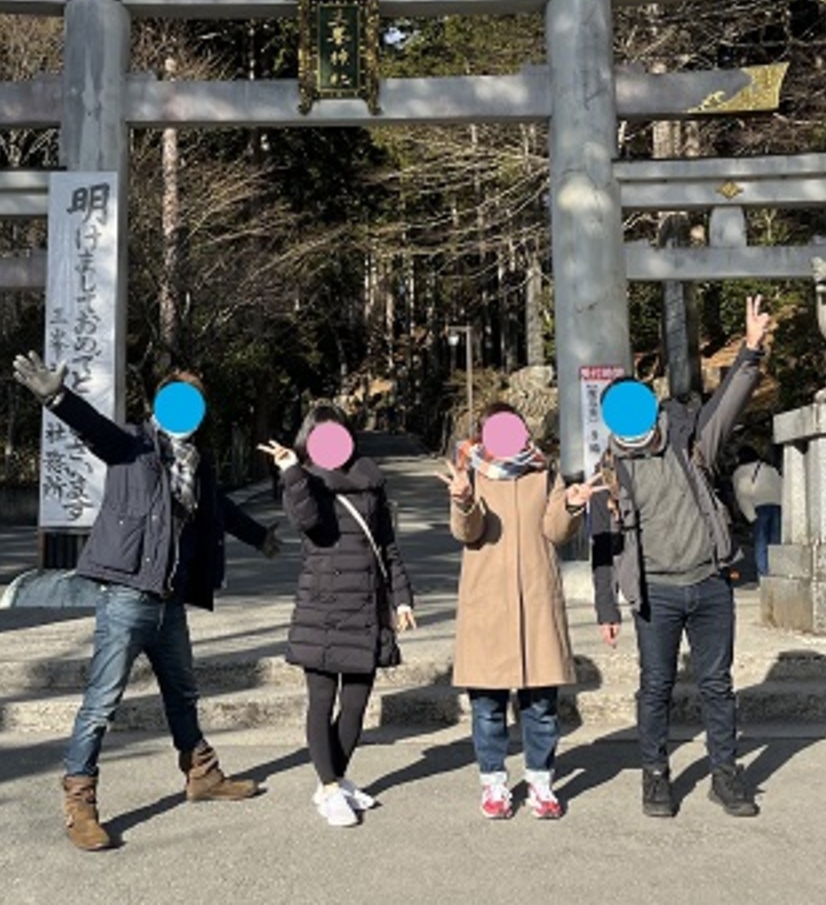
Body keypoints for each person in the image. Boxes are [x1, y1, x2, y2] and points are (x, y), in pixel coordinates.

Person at [12, 353, 281, 852]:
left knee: (183, 693)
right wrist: (57, 398)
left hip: (170, 600)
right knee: (101, 704)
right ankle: (80, 802)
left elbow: (219, 509)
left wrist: (260, 536)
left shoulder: (196, 464)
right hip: (127, 596)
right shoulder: (134, 446)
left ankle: (202, 774)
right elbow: (95, 430)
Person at [586, 295, 777, 820]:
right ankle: (655, 777)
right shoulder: (608, 474)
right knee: (656, 688)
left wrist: (751, 349)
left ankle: (725, 774)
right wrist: (607, 607)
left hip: (710, 582)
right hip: (657, 594)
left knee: (717, 684)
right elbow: (601, 545)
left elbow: (727, 405)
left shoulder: (688, 442)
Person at [259, 405, 416, 828]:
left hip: (366, 606)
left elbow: (388, 547)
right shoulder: (303, 481)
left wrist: (402, 599)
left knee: (356, 705)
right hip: (322, 608)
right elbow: (312, 525)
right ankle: (328, 787)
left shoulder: (371, 480)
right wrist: (292, 473)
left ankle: (336, 779)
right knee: (322, 701)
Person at [437, 403, 587, 820]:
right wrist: (464, 501)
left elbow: (554, 531)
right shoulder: (471, 472)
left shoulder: (544, 471)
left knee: (541, 705)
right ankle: (494, 785)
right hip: (488, 603)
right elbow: (466, 532)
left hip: (536, 599)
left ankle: (541, 783)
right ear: (484, 435)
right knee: (487, 706)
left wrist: (572, 505)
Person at [732, 444, 784, 578]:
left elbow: (742, 495)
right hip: (777, 506)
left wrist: (750, 516)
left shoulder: (741, 472)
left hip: (759, 508)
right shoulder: (770, 469)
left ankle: (764, 574)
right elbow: (782, 486)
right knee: (775, 543)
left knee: (761, 543)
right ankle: (777, 572)